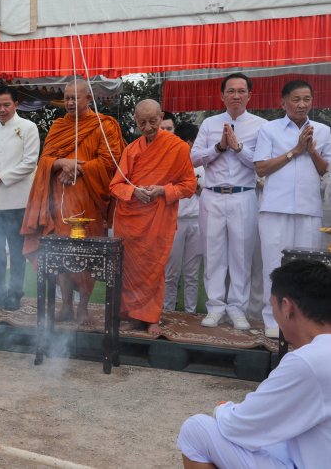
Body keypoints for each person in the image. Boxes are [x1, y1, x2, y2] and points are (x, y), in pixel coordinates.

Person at [177, 259, 331, 469]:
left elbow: (240, 426)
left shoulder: (309, 361)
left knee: (196, 430)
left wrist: (222, 409)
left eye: (272, 304)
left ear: (286, 307)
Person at [21, 79, 124, 324]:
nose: (68, 102)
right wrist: (60, 164)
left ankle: (83, 307)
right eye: (66, 98)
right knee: (61, 254)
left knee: (86, 256)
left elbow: (111, 162)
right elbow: (45, 161)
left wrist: (78, 167)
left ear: (89, 99)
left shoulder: (104, 126)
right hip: (60, 202)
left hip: (89, 201)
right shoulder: (58, 126)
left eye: (74, 98)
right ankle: (66, 304)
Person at [110, 99, 196, 336]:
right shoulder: (132, 150)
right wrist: (133, 191)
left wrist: (163, 190)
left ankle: (150, 317)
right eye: (142, 122)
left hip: (159, 217)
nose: (147, 127)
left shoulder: (177, 147)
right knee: (128, 269)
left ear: (161, 118)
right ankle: (130, 316)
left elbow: (189, 185)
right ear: (135, 121)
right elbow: (116, 185)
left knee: (154, 268)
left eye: (153, 121)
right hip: (130, 220)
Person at [254, 80, 331, 338]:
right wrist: (294, 151)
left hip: (309, 209)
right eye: (296, 99)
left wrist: (310, 150)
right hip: (275, 207)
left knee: (306, 266)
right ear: (283, 102)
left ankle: (306, 321)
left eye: (306, 99)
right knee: (274, 264)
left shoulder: (322, 130)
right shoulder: (269, 130)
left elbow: (324, 170)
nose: (301, 104)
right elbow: (261, 168)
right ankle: (272, 319)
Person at [191, 73, 267, 330]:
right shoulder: (210, 123)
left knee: (241, 255)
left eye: (241, 91)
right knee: (213, 255)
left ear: (249, 95)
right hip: (212, 195)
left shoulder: (260, 125)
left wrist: (238, 148)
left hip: (244, 195)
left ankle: (237, 308)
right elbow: (193, 158)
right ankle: (215, 307)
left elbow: (262, 164)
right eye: (231, 91)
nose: (236, 95)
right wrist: (219, 147)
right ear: (222, 95)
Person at [0, 84, 40, 311]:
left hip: (17, 200)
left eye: (6, 105)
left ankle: (15, 293)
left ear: (16, 105)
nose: (2, 109)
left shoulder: (28, 127)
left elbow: (30, 163)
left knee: (16, 251)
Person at [164, 122, 203, 314]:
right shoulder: (169, 163)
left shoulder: (202, 164)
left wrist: (197, 187)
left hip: (197, 220)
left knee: (192, 273)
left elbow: (209, 192)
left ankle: (190, 312)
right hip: (175, 221)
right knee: (171, 272)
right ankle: (167, 310)